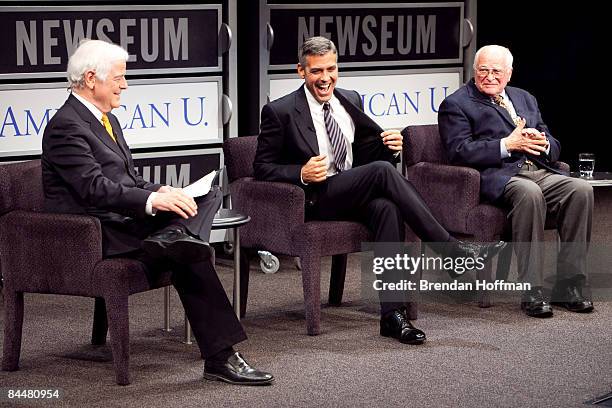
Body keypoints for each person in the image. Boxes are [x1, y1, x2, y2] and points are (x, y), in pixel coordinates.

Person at [41, 39, 273, 385]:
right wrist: (151, 203)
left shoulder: (106, 119)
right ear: (91, 79)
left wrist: (160, 191)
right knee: (189, 254)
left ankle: (172, 236)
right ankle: (221, 357)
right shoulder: (66, 126)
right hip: (91, 233)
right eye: (119, 78)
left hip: (122, 220)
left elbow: (129, 179)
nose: (125, 85)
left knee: (202, 197)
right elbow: (93, 188)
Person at [254, 36, 505, 345]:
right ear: (300, 72)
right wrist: (300, 173)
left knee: (388, 208)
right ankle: (448, 249)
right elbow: (261, 167)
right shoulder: (280, 111)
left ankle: (392, 316)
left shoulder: (349, 99)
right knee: (383, 174)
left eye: (331, 69)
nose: (325, 78)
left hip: (350, 190)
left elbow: (363, 156)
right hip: (314, 198)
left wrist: (390, 149)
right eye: (317, 71)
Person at [438, 44, 594, 317]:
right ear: (474, 72)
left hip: (540, 170)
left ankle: (569, 285)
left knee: (580, 189)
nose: (489, 77)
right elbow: (458, 151)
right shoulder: (456, 104)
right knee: (529, 192)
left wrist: (543, 143)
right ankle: (532, 290)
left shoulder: (525, 98)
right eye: (483, 70)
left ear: (509, 74)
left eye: (496, 71)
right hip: (498, 176)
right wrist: (506, 145)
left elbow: (554, 143)